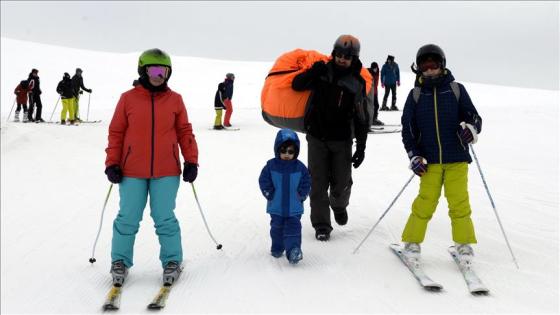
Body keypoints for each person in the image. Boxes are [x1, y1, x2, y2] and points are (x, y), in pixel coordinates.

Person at [104, 48, 199, 287]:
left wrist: (191, 160)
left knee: (164, 217)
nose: (159, 74)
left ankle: (172, 261)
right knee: (127, 218)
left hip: (166, 170)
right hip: (131, 171)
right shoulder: (128, 98)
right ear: (143, 70)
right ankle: (120, 261)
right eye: (154, 69)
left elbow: (184, 132)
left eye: (164, 70)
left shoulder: (175, 99)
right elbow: (116, 132)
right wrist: (112, 163)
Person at [399, 44, 482, 265]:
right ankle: (411, 243)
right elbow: (408, 130)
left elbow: (474, 117)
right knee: (425, 203)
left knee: (459, 204)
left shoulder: (456, 89)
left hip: (457, 159)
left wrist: (470, 129)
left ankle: (463, 245)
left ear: (441, 65)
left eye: (433, 64)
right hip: (429, 162)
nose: (430, 70)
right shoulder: (415, 95)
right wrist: (414, 156)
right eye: (424, 66)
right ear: (418, 69)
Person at [291, 34, 369, 241]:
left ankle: (339, 205)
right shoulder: (322, 72)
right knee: (317, 183)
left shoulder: (357, 83)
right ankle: (321, 224)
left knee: (341, 182)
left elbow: (362, 117)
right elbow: (297, 85)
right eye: (340, 55)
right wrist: (312, 72)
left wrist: (361, 146)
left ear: (354, 59)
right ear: (334, 54)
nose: (343, 59)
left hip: (341, 140)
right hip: (316, 137)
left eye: (347, 56)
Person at [258, 129, 311, 264]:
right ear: (277, 150)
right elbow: (264, 180)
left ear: (296, 152)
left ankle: (293, 250)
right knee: (277, 229)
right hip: (276, 207)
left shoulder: (300, 168)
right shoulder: (271, 166)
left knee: (294, 229)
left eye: (291, 151)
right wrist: (269, 193)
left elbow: (307, 181)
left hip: (294, 207)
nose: (286, 154)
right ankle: (277, 246)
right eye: (283, 151)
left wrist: (302, 194)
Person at [367, 62, 384, 126]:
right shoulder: (369, 72)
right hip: (369, 93)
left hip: (375, 92)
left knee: (376, 105)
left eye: (376, 68)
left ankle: (374, 118)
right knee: (371, 106)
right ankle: (371, 119)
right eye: (374, 68)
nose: (375, 69)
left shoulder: (377, 73)